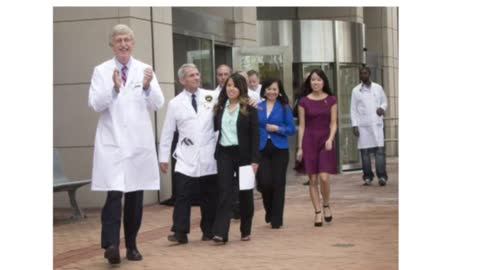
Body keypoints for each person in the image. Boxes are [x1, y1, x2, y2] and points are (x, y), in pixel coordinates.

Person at [88, 24, 164, 265]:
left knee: (134, 198)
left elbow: (158, 103)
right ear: (112, 44)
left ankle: (131, 245)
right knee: (113, 195)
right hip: (112, 144)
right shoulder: (101, 71)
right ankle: (111, 245)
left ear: (133, 43)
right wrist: (113, 88)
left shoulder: (145, 70)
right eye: (119, 40)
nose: (123, 44)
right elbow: (95, 104)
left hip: (137, 145)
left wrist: (147, 86)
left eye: (127, 40)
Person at [159, 63, 218, 244]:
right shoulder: (175, 103)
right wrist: (163, 157)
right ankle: (180, 232)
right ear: (182, 80)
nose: (196, 78)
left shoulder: (211, 96)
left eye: (197, 74)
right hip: (186, 155)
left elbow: (234, 100)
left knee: (209, 196)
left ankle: (209, 230)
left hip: (208, 154)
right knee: (182, 195)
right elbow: (168, 131)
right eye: (191, 75)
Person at [211, 73, 260, 243]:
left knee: (245, 193)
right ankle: (220, 233)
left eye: (235, 85)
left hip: (244, 155)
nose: (231, 88)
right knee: (224, 192)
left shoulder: (249, 107)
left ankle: (245, 229)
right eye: (229, 85)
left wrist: (255, 160)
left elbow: (255, 136)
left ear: (241, 88)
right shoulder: (220, 107)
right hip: (224, 153)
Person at [296, 69, 337, 227]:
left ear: (324, 82)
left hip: (325, 140)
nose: (315, 82)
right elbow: (302, 126)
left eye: (319, 80)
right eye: (313, 80)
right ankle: (318, 212)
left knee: (324, 177)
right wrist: (300, 147)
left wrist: (331, 139)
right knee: (313, 178)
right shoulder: (304, 101)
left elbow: (334, 123)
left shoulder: (332, 100)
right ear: (309, 82)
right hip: (309, 141)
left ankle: (326, 203)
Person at [256, 78, 296, 229]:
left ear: (279, 91)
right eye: (269, 89)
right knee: (264, 183)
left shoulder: (284, 107)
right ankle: (269, 210)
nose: (272, 92)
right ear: (264, 90)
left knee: (278, 184)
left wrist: (278, 129)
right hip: (262, 148)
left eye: (275, 89)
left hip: (280, 149)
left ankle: (276, 219)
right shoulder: (258, 107)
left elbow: (292, 129)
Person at [350, 67, 388, 186]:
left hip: (376, 124)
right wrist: (355, 125)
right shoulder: (356, 91)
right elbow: (353, 109)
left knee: (379, 152)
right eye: (361, 73)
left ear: (369, 74)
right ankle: (367, 177)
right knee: (365, 153)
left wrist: (382, 108)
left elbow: (384, 101)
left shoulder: (378, 88)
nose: (363, 75)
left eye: (365, 73)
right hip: (363, 125)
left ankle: (382, 176)